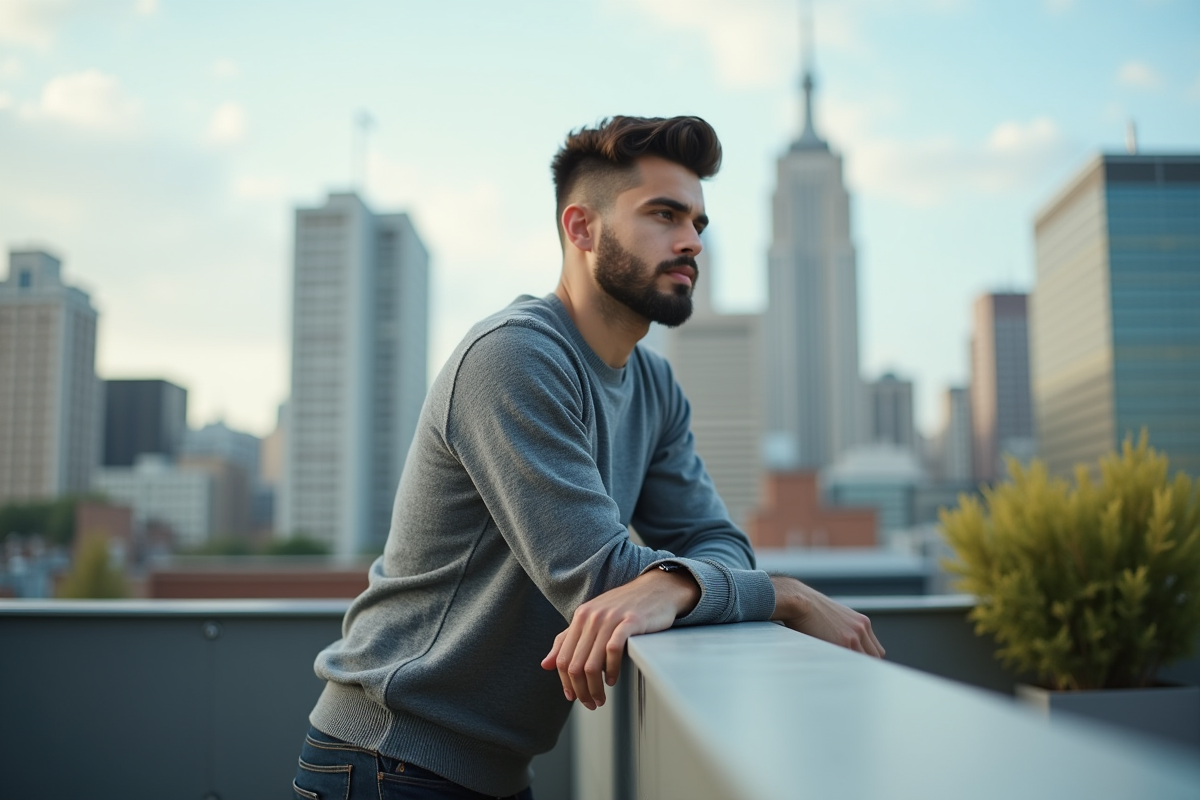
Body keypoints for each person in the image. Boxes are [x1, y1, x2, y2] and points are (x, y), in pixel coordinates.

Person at [293, 115, 883, 800]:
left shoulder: (654, 385)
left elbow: (718, 542)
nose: (692, 240)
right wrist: (781, 595)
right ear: (581, 228)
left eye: (697, 221)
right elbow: (600, 579)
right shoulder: (514, 356)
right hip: (388, 759)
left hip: (493, 769)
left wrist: (668, 581)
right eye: (664, 214)